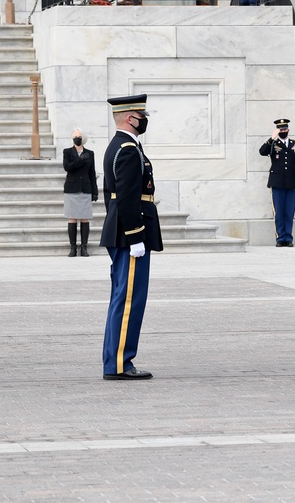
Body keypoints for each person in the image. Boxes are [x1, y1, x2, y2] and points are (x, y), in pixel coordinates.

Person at [99, 94, 162, 380]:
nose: (144, 119)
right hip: (131, 235)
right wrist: (136, 236)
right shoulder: (126, 148)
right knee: (128, 300)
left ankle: (115, 360)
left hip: (123, 231)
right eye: (141, 115)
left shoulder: (121, 146)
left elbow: (111, 196)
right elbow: (125, 197)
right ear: (129, 118)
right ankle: (120, 364)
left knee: (122, 297)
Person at [258, 118, 295, 247]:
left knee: (289, 212)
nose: (283, 131)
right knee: (279, 212)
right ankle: (280, 238)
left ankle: (289, 238)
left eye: (284, 129)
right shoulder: (273, 144)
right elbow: (262, 152)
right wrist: (271, 138)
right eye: (280, 130)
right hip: (277, 182)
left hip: (292, 182)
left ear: (288, 130)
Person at [62, 128, 98, 257]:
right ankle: (73, 248)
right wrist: (80, 160)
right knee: (72, 218)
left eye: (79, 136)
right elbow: (67, 167)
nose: (77, 138)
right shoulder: (67, 152)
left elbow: (91, 173)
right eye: (75, 136)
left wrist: (95, 191)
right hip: (72, 189)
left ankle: (84, 247)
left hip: (85, 188)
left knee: (84, 218)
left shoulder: (90, 153)